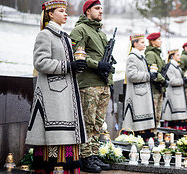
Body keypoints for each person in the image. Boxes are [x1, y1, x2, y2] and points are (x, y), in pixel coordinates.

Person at [26, 1, 87, 173]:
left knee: (67, 135)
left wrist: (78, 66)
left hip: (67, 95)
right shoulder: (45, 35)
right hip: (52, 95)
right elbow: (40, 62)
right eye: (61, 11)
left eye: (66, 11)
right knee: (56, 134)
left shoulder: (65, 36)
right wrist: (68, 66)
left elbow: (69, 63)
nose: (66, 14)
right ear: (50, 14)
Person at [70, 0, 112, 172]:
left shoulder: (99, 32)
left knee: (98, 123)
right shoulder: (80, 30)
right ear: (87, 11)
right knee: (88, 122)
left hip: (103, 83)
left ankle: (94, 154)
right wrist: (97, 65)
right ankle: (86, 157)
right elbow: (77, 55)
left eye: (101, 8)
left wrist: (109, 67)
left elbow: (104, 57)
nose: (100, 11)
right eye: (96, 8)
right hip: (88, 84)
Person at [123, 34, 156, 139]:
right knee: (138, 122)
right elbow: (132, 75)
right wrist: (148, 76)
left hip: (142, 93)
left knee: (145, 121)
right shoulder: (132, 57)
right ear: (135, 43)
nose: (144, 45)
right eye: (142, 42)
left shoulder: (140, 57)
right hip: (137, 94)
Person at [162, 49, 187, 130]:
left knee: (179, 115)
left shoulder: (177, 66)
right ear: (172, 56)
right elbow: (172, 81)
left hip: (178, 94)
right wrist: (183, 81)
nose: (179, 56)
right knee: (173, 115)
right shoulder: (170, 66)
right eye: (177, 55)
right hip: (173, 95)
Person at [145, 32, 166, 128]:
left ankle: (156, 132)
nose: (161, 41)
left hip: (159, 88)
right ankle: (152, 134)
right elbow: (153, 73)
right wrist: (162, 79)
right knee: (153, 114)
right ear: (152, 42)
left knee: (158, 115)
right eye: (158, 39)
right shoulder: (151, 54)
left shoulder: (157, 54)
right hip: (154, 88)